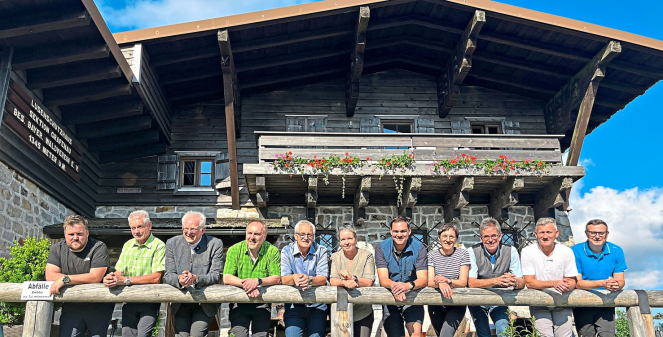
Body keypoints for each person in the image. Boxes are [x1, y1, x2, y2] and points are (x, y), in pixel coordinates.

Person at [46, 215, 114, 337]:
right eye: (71, 234)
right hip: (71, 305)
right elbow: (50, 275)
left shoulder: (98, 247)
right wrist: (72, 279)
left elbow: (95, 277)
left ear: (87, 233)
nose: (75, 238)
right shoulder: (58, 249)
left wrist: (65, 279)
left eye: (79, 234)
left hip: (98, 306)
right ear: (65, 234)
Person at [103, 210, 166, 337]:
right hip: (129, 300)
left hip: (149, 301)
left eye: (140, 227)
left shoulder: (159, 245)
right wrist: (110, 278)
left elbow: (156, 278)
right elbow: (119, 273)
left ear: (149, 225)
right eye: (133, 228)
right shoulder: (128, 245)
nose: (136, 231)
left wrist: (126, 280)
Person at [164, 211, 224, 337]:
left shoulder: (215, 244)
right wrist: (179, 279)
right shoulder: (172, 243)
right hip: (180, 302)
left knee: (197, 334)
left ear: (202, 230)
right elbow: (168, 275)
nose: (188, 232)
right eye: (186, 228)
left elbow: (215, 275)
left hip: (205, 302)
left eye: (193, 229)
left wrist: (196, 279)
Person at [467, 217, 525, 337]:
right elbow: (471, 282)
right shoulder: (472, 251)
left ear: (500, 236)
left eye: (494, 236)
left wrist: (514, 283)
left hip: (500, 299)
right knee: (483, 334)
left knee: (504, 331)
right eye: (486, 237)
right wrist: (497, 281)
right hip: (477, 299)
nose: (490, 240)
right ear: (480, 238)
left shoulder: (511, 251)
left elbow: (521, 281)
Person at [521, 217, 578, 337]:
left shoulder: (566, 252)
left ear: (556, 234)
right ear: (536, 234)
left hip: (562, 300)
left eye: (549, 232)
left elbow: (572, 280)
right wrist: (554, 283)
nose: (545, 236)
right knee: (544, 335)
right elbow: (530, 282)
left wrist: (567, 286)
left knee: (564, 336)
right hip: (538, 301)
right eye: (542, 232)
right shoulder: (527, 251)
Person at [224, 220, 281, 337]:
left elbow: (276, 278)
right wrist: (248, 284)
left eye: (257, 234)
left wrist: (257, 281)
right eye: (249, 233)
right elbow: (227, 277)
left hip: (262, 302)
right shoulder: (234, 250)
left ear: (264, 236)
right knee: (237, 335)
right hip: (238, 302)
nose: (252, 237)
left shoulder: (272, 251)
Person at [572, 219, 626, 337]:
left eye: (601, 233)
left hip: (607, 301)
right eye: (593, 233)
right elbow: (578, 283)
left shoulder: (616, 250)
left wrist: (616, 284)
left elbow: (621, 280)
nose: (597, 236)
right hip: (582, 302)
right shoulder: (575, 251)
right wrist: (603, 283)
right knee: (586, 335)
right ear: (586, 233)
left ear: (607, 234)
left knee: (608, 335)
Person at [375, 215, 428, 337]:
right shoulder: (381, 248)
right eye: (396, 231)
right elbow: (383, 279)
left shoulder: (419, 248)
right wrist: (395, 286)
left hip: (413, 296)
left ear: (409, 231)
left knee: (416, 334)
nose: (399, 234)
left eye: (403, 231)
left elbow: (423, 279)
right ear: (391, 232)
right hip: (390, 298)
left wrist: (406, 286)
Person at [281, 220, 329, 337]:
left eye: (309, 235)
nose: (306, 238)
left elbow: (323, 278)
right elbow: (284, 279)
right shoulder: (286, 251)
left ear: (313, 236)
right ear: (295, 236)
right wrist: (294, 278)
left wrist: (310, 280)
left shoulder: (321, 250)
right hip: (294, 305)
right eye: (302, 234)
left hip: (317, 305)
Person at [329, 224, 376, 337]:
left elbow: (369, 281)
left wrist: (353, 278)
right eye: (343, 239)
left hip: (363, 311)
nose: (346, 242)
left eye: (349, 238)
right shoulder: (335, 257)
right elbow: (333, 280)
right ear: (339, 242)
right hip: (340, 311)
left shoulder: (367, 256)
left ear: (356, 239)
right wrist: (345, 282)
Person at [427, 223, 470, 337]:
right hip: (435, 303)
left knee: (445, 334)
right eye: (444, 236)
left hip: (456, 302)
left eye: (452, 236)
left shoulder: (463, 254)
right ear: (439, 237)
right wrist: (440, 283)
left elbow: (462, 282)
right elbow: (430, 282)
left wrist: (447, 281)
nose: (448, 239)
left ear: (456, 239)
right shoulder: (432, 255)